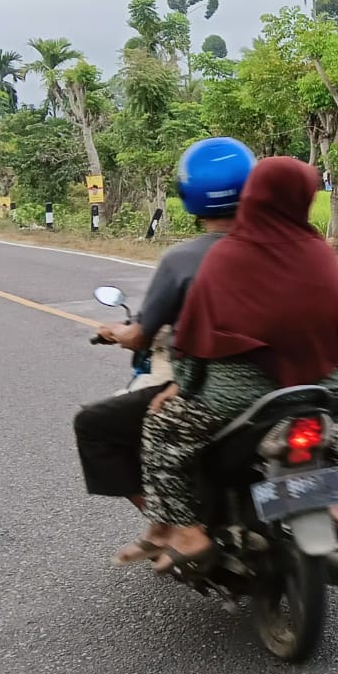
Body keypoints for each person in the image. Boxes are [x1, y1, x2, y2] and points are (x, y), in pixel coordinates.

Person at [141, 156, 338, 575]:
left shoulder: (229, 256)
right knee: (328, 433)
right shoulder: (319, 253)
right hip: (322, 392)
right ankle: (328, 502)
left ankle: (188, 532)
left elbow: (191, 341)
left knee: (161, 429)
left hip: (240, 402)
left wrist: (183, 387)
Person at [74, 137, 256, 566]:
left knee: (100, 424)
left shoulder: (182, 260)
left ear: (188, 196)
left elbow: (142, 336)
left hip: (213, 390)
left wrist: (120, 334)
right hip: (289, 381)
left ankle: (175, 524)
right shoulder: (288, 249)